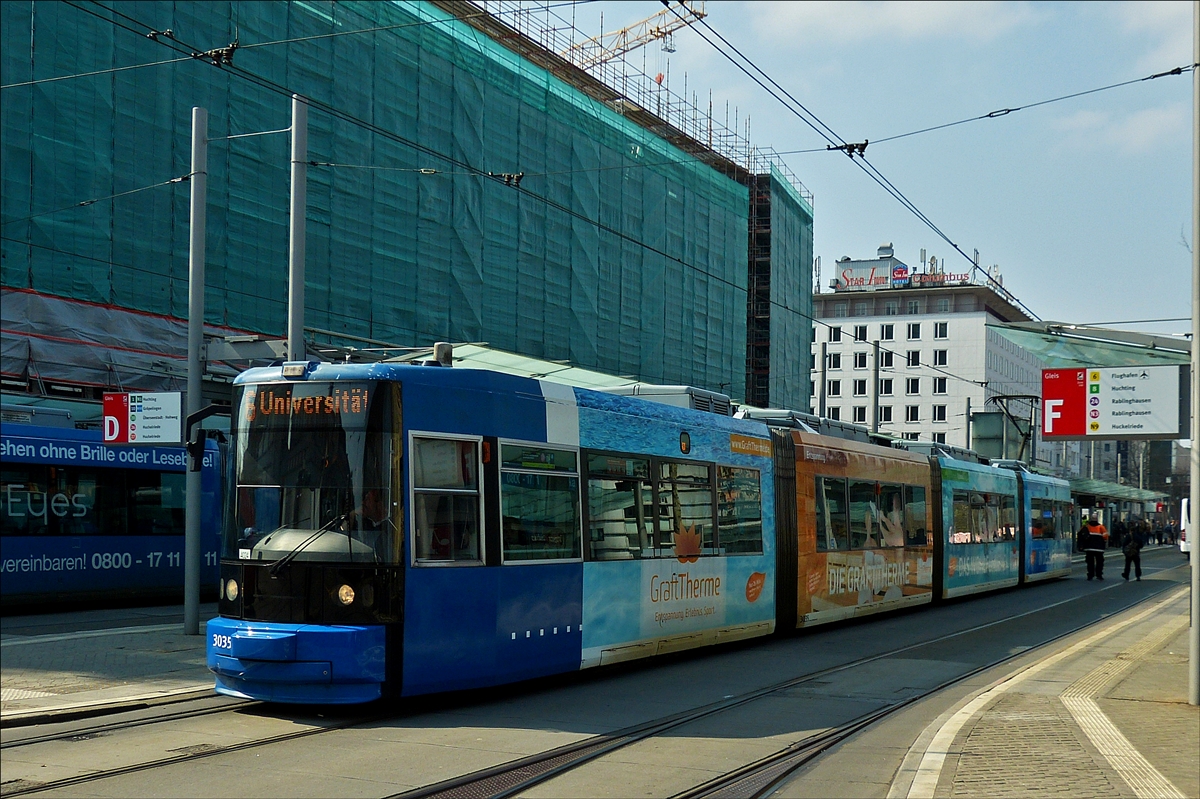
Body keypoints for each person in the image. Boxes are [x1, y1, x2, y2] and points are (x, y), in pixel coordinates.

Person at [1082, 516, 1109, 581]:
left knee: (1090, 562)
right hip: (1099, 548)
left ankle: (1090, 575)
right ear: (1097, 520)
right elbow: (1105, 536)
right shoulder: (1101, 527)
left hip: (1089, 548)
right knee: (1099, 562)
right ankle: (1099, 574)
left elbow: (1082, 535)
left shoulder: (1087, 527)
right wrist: (1103, 542)